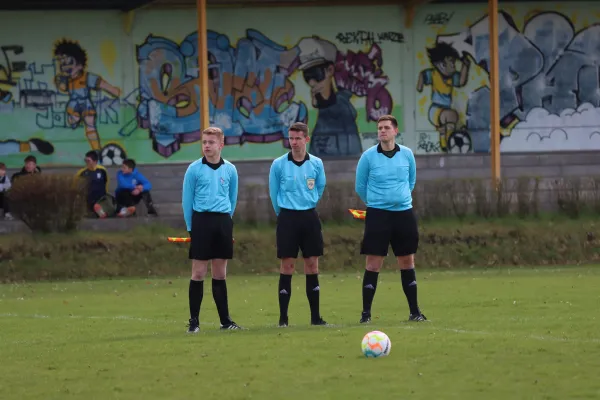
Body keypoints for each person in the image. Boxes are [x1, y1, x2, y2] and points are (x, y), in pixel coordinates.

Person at [354, 114, 427, 323]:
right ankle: (366, 314)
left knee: (407, 261)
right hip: (378, 215)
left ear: (395, 131)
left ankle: (415, 312)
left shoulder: (407, 155)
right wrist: (377, 202)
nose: (382, 131)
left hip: (404, 213)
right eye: (379, 128)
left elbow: (411, 180)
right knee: (373, 263)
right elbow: (360, 186)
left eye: (386, 127)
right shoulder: (368, 157)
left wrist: (399, 199)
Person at [182, 126, 242, 333]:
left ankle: (225, 321)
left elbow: (232, 198)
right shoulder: (194, 169)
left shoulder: (230, 170)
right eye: (204, 142)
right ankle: (194, 322)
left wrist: (227, 221)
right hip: (201, 222)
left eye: (211, 142)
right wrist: (191, 228)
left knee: (220, 273)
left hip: (223, 222)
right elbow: (187, 201)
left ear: (221, 145)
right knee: (198, 272)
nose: (206, 146)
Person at [268, 122, 328, 327]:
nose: (293, 142)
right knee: (287, 265)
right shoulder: (278, 164)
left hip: (309, 218)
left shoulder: (317, 164)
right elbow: (273, 192)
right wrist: (284, 213)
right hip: (287, 218)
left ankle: (316, 318)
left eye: (297, 138)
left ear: (306, 139)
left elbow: (319, 188)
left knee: (312, 264)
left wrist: (307, 204)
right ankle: (283, 319)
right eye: (290, 138)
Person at [75, 151, 110, 218]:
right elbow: (76, 185)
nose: (86, 163)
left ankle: (100, 211)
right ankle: (96, 212)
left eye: (88, 161)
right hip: (88, 198)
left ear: (95, 161)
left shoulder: (102, 170)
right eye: (85, 160)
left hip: (101, 198)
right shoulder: (82, 172)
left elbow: (106, 183)